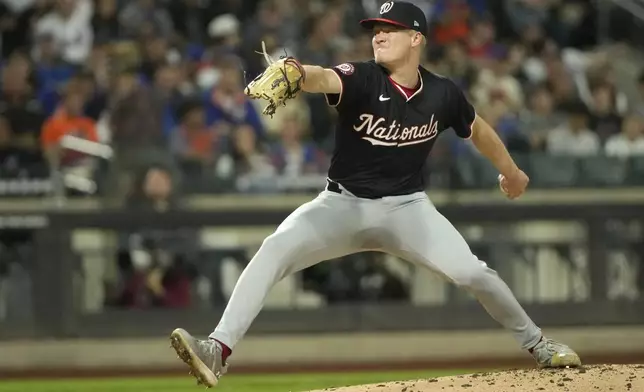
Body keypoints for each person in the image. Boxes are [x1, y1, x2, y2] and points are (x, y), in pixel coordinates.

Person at [169, 2, 582, 388]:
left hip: (407, 208)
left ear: (416, 38)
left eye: (390, 29)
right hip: (341, 205)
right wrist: (296, 69)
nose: (379, 35)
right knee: (274, 249)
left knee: (474, 273)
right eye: (376, 30)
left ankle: (539, 345)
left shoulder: (442, 94)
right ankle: (217, 348)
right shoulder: (363, 77)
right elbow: (324, 77)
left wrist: (511, 172)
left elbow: (478, 130)